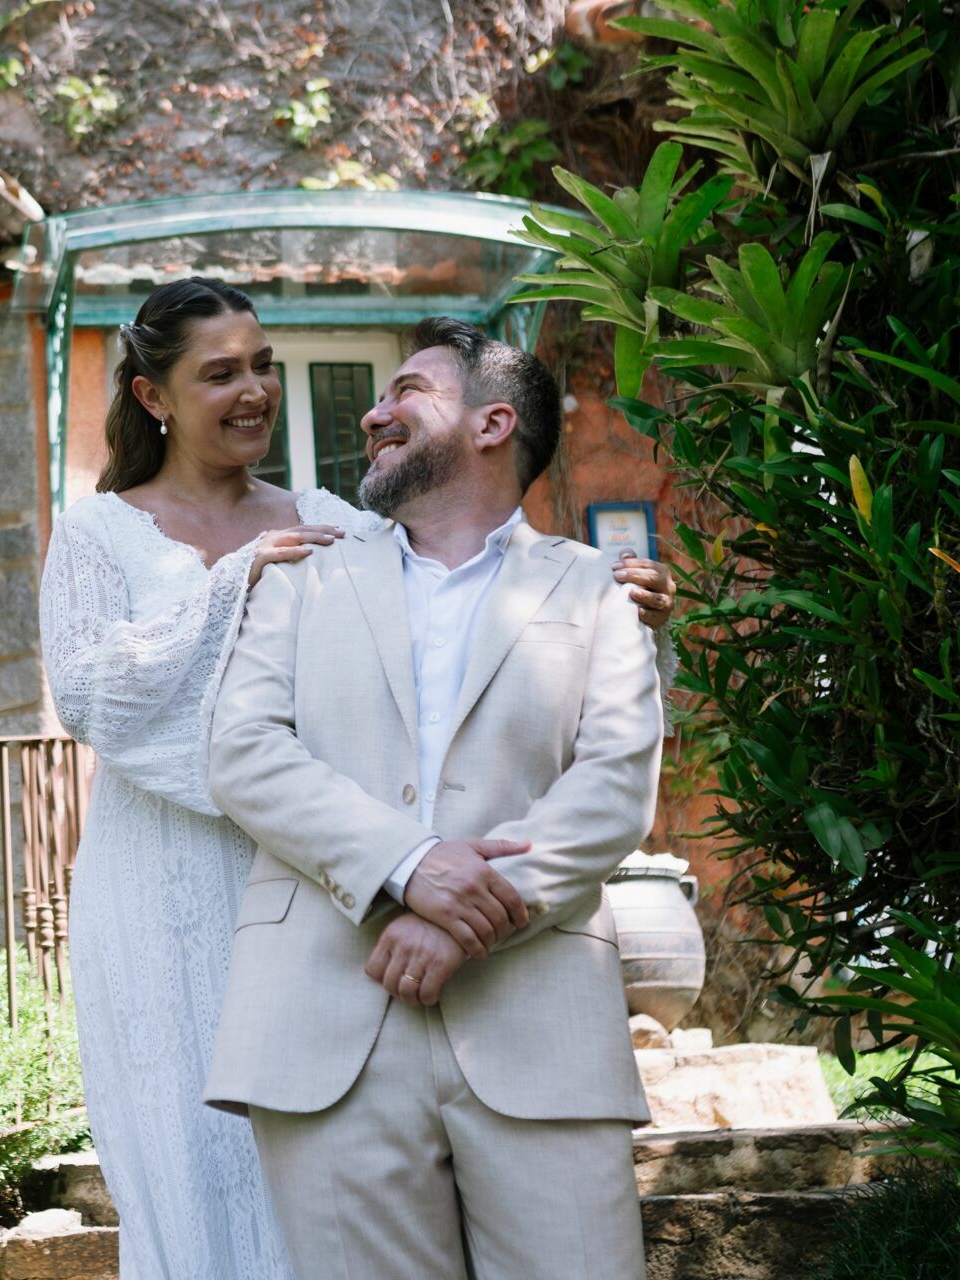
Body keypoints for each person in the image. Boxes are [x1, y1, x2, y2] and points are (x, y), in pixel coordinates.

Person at [38, 282, 673, 1280]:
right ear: (153, 395)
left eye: (262, 366)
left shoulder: (334, 527)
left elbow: (487, 604)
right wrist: (228, 586)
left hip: (373, 909)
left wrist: (604, 595)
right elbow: (119, 706)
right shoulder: (133, 538)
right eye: (221, 372)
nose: (253, 390)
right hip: (208, 897)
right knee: (202, 1171)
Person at [204, 316, 663, 1279]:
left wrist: (463, 921)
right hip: (329, 1024)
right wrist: (408, 871)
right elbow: (243, 751)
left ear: (493, 423)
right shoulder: (302, 576)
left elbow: (616, 784)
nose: (374, 413)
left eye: (406, 389)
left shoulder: (599, 591)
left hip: (540, 1025)